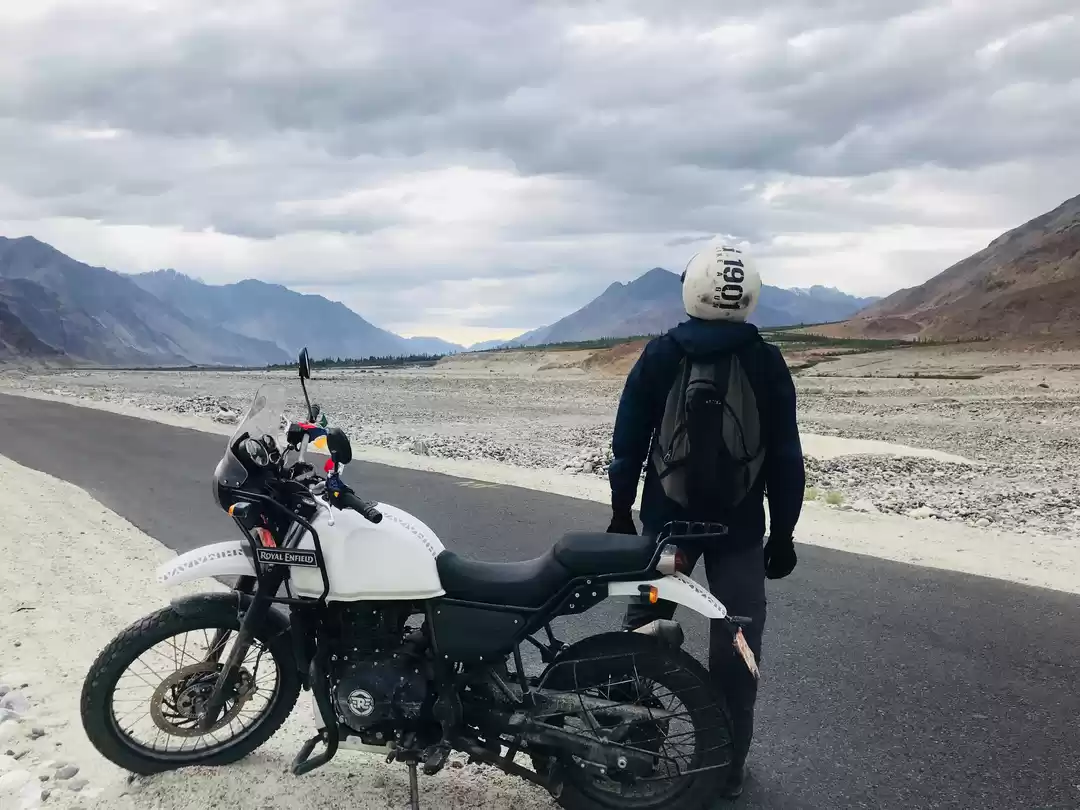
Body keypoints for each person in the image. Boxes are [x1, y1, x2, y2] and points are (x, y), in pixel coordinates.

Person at [606, 242, 805, 800]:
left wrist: (622, 512)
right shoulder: (766, 361)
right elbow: (786, 457)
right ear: (748, 295)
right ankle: (727, 766)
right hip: (738, 534)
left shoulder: (660, 354)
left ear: (692, 288)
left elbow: (627, 445)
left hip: (668, 530)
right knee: (737, 643)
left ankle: (634, 751)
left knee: (642, 632)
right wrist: (783, 534)